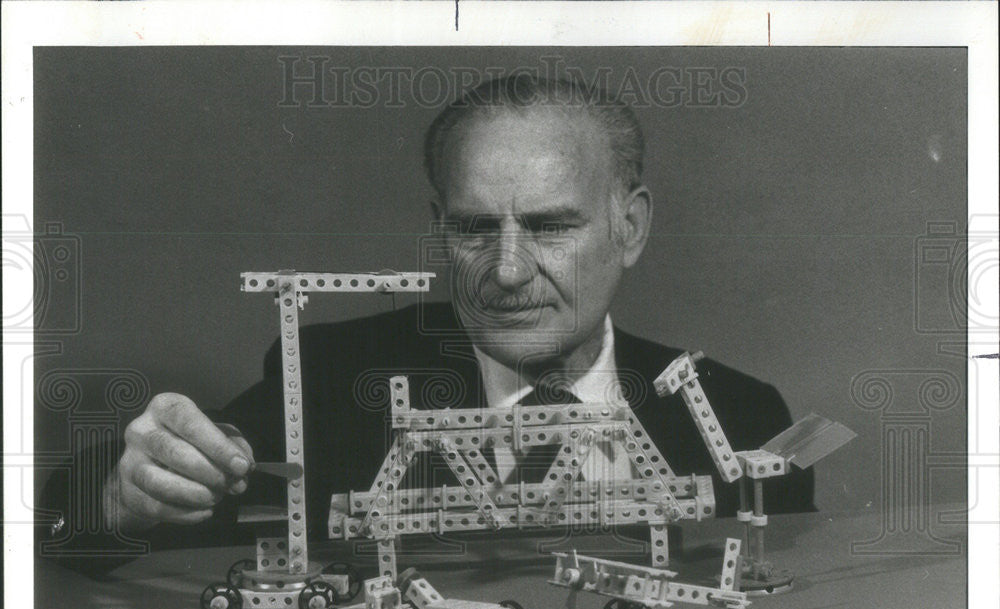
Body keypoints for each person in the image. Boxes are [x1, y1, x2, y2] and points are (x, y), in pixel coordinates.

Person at [63, 74, 814, 556]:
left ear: (631, 227)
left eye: (551, 227)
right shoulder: (333, 377)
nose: (510, 271)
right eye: (474, 229)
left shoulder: (742, 415)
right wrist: (124, 495)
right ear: (440, 226)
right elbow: (89, 509)